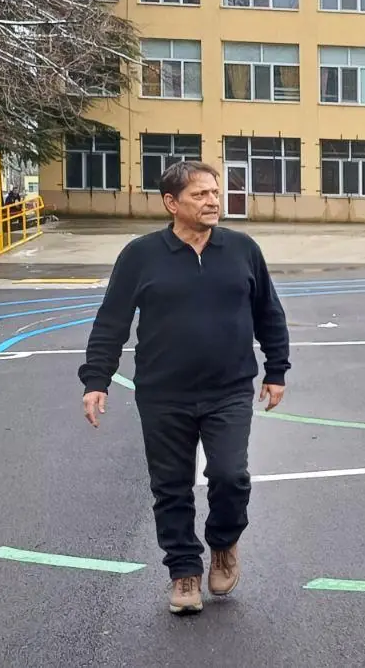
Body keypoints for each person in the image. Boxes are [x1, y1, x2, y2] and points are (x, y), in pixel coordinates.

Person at [76, 160, 290, 615]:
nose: (213, 201)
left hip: (229, 389)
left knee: (230, 476)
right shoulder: (141, 255)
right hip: (163, 393)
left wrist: (277, 370)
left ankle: (223, 543)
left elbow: (269, 312)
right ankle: (184, 572)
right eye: (200, 194)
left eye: (215, 192)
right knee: (171, 486)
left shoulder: (242, 250)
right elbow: (111, 321)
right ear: (172, 203)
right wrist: (97, 380)